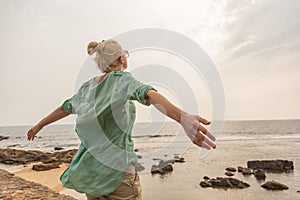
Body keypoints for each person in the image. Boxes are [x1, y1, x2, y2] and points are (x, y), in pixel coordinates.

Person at [27, 39, 216, 200]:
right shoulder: (121, 79)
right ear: (121, 59)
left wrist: (39, 125)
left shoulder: (87, 88)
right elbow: (148, 94)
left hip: (90, 172)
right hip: (117, 174)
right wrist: (182, 117)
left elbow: (64, 108)